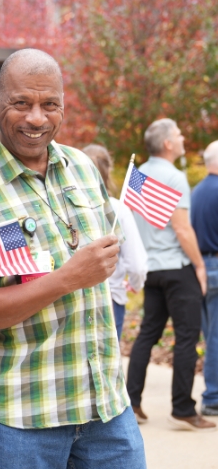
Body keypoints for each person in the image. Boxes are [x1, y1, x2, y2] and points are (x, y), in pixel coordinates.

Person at [0, 49, 146, 469]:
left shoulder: (83, 169)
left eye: (49, 104)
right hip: (19, 420)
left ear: (63, 106)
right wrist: (66, 278)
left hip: (105, 408)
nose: (36, 118)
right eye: (21, 103)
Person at [126, 119, 215, 431]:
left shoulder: (137, 178)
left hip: (150, 269)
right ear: (167, 144)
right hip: (177, 270)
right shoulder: (174, 177)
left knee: (147, 334)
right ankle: (183, 407)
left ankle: (132, 401)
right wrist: (200, 266)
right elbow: (182, 228)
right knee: (187, 337)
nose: (183, 138)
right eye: (179, 134)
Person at [82, 144, 147, 341]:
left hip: (75, 298)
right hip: (110, 298)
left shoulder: (67, 208)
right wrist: (136, 284)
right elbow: (137, 263)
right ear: (108, 170)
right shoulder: (118, 209)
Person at [191, 140, 218, 416]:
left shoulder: (196, 192)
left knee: (211, 336)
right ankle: (213, 397)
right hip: (216, 266)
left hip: (200, 267)